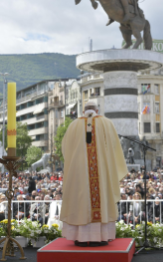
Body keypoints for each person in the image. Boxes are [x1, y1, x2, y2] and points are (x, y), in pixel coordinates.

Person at [60, 100, 127, 247]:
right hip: (101, 174)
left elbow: (65, 149)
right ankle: (101, 237)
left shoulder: (73, 125)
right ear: (97, 110)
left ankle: (79, 238)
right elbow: (115, 148)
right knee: (102, 197)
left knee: (80, 201)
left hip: (79, 175)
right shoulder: (107, 123)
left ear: (84, 110)